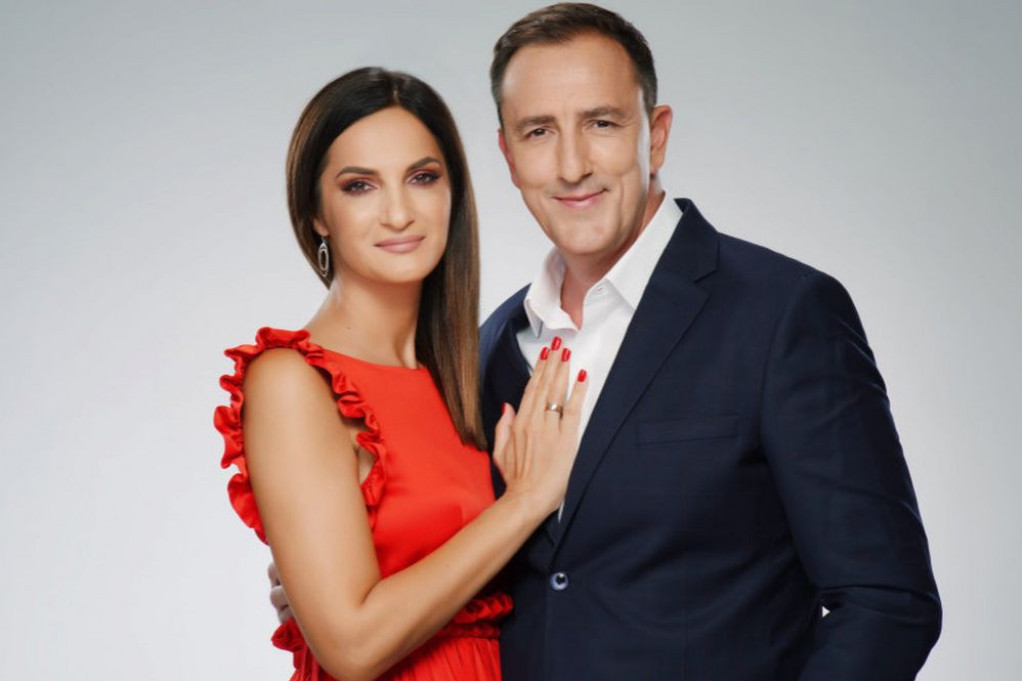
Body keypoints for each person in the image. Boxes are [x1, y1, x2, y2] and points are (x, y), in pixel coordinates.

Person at [273, 4, 941, 679]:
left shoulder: (781, 314)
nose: (572, 166)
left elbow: (888, 604)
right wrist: (322, 585)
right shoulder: (487, 352)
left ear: (657, 134)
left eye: (601, 123)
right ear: (508, 155)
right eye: (539, 131)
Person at [215, 67, 587, 681]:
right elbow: (353, 648)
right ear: (316, 212)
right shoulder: (294, 382)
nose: (398, 213)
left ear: (452, 193)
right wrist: (523, 502)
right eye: (360, 186)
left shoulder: (471, 376)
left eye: (422, 178)